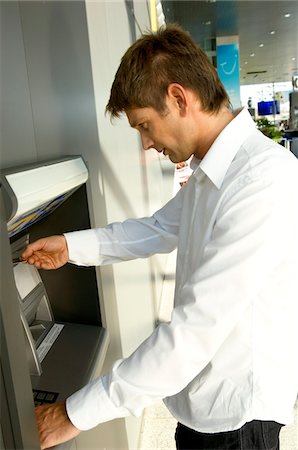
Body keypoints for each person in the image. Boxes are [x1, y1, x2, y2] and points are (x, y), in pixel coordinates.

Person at [21, 25, 298, 450]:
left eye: (145, 125)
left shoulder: (261, 180)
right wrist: (71, 246)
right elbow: (157, 229)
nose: (147, 144)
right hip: (202, 408)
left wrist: (73, 413)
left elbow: (194, 330)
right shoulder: (216, 172)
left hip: (238, 423)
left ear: (179, 98)